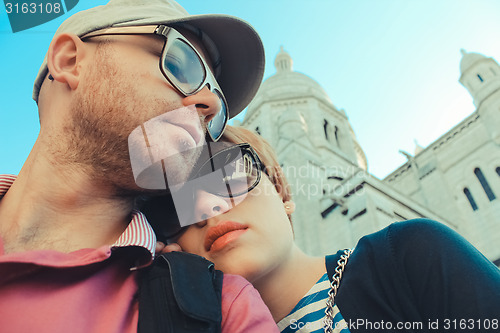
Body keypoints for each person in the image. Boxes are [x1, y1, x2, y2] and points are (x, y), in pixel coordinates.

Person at [0, 0, 280, 332]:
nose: (213, 104)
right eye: (179, 64)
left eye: (218, 108)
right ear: (71, 61)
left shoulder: (221, 309)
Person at [150, 126, 500, 333]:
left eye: (229, 176)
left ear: (283, 193)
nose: (207, 207)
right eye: (175, 207)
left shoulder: (410, 255)